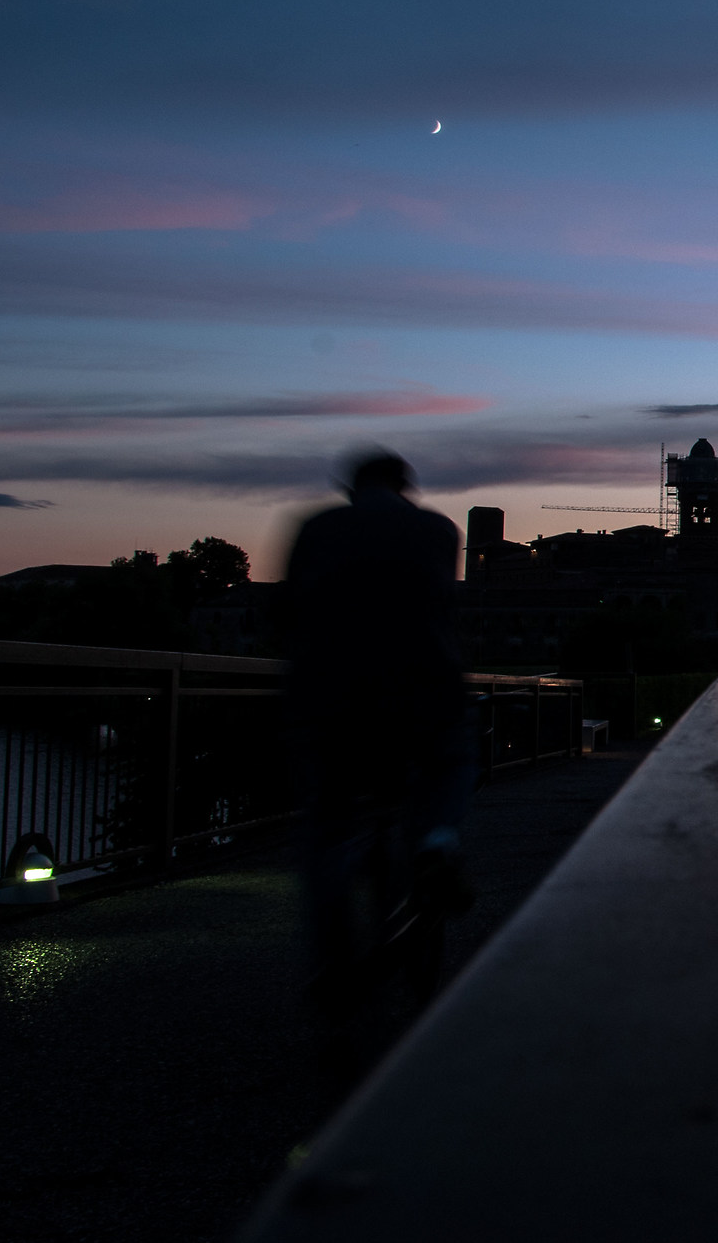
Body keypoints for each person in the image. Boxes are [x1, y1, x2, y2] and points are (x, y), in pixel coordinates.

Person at [284, 449, 476, 1067]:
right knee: (449, 762)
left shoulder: (317, 529)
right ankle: (438, 843)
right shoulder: (439, 530)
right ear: (404, 486)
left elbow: (287, 613)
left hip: (334, 698)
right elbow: (444, 605)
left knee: (330, 821)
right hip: (424, 689)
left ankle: (334, 967)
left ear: (351, 486)